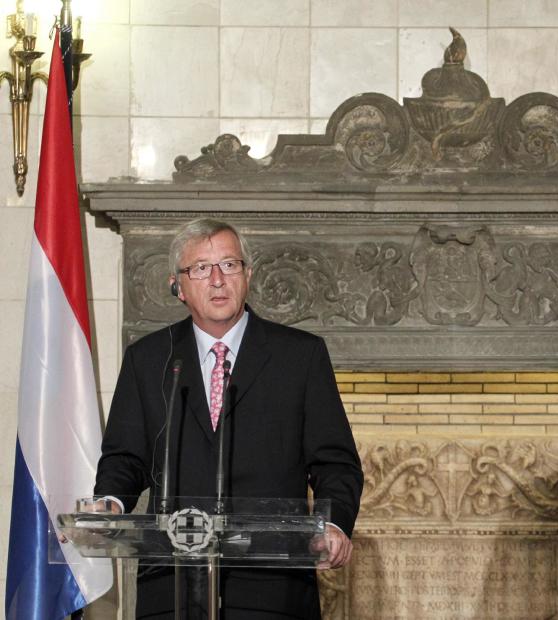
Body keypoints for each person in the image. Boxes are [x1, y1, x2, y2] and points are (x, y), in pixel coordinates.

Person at [95, 218, 364, 618]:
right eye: (200, 268)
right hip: (171, 586)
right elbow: (125, 457)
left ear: (248, 275)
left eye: (229, 265)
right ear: (178, 286)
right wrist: (110, 502)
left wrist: (335, 524)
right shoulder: (149, 359)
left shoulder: (300, 356)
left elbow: (335, 462)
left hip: (272, 588)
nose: (217, 279)